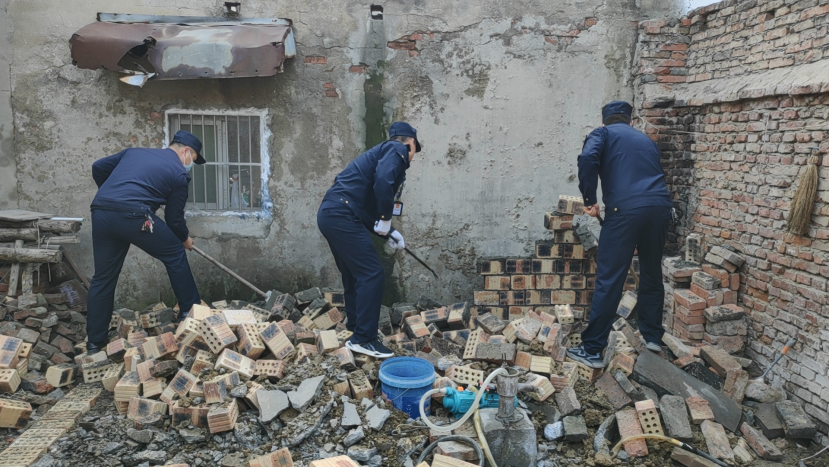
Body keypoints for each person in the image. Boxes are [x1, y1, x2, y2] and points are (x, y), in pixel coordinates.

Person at [567, 101, 674, 369]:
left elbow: (587, 159)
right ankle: (652, 338)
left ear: (603, 121)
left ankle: (592, 349)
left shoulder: (602, 133)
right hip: (660, 208)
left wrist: (589, 198)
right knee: (651, 273)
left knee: (610, 279)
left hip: (624, 211)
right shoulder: (645, 140)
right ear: (631, 121)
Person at [85, 130, 206, 354]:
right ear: (186, 151)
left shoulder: (134, 153)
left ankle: (94, 343)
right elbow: (174, 218)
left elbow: (98, 167)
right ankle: (191, 314)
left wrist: (113, 198)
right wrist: (184, 239)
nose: (190, 163)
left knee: (103, 277)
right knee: (175, 254)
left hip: (101, 212)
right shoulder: (179, 173)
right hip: (136, 215)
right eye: (193, 158)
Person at [317, 122, 421, 358]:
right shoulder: (397, 148)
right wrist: (385, 218)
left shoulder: (380, 153)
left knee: (355, 273)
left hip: (332, 214)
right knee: (372, 273)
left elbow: (361, 205)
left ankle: (356, 328)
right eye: (415, 150)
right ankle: (364, 339)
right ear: (411, 143)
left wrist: (389, 230)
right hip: (341, 214)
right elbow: (383, 181)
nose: (412, 156)